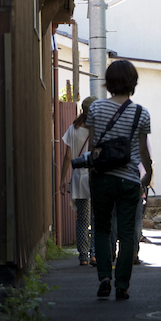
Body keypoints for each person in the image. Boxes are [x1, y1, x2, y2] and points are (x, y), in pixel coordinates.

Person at [85, 60, 152, 300]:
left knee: (102, 229)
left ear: (108, 82)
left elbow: (93, 147)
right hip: (129, 180)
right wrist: (149, 172)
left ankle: (105, 276)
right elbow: (143, 151)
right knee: (126, 234)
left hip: (102, 178)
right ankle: (122, 284)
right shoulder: (141, 113)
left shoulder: (96, 109)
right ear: (133, 83)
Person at [60, 96, 98, 266]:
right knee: (97, 218)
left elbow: (68, 156)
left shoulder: (73, 129)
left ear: (83, 110)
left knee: (82, 219)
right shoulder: (97, 130)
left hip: (77, 177)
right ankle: (94, 254)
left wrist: (62, 179)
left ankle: (83, 256)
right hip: (95, 177)